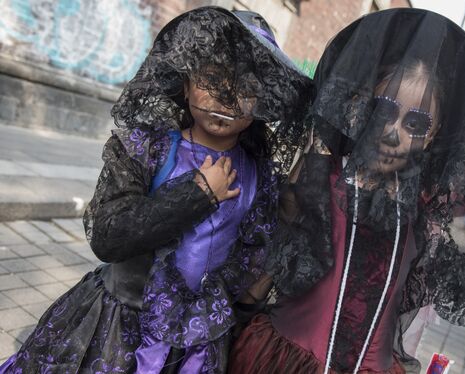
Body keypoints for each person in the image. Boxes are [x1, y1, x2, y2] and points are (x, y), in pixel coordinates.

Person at [0, 7, 312, 373]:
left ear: (261, 102)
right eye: (212, 78)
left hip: (194, 347)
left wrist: (238, 301)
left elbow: (251, 253)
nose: (226, 97)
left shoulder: (258, 175)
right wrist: (198, 194)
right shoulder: (146, 149)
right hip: (118, 329)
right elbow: (108, 236)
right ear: (185, 83)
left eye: (244, 88)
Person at [229, 8, 465, 374]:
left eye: (416, 123)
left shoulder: (425, 219)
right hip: (285, 360)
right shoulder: (319, 185)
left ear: (434, 135)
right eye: (383, 109)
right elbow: (265, 273)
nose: (393, 131)